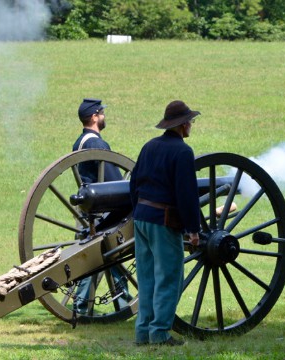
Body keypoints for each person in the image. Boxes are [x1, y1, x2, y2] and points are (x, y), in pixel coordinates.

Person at [129, 100, 201, 346]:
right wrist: (193, 230)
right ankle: (159, 332)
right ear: (182, 125)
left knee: (147, 277)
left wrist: (137, 211)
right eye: (189, 121)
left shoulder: (150, 146)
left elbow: (134, 182)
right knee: (170, 277)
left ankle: (143, 332)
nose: (191, 125)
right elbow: (187, 194)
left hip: (141, 218)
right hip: (163, 221)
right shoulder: (182, 152)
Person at [71, 98, 131, 314]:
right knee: (103, 255)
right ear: (95, 116)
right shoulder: (96, 143)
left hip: (87, 205)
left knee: (102, 256)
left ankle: (123, 300)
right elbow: (112, 179)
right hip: (101, 206)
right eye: (102, 113)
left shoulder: (80, 140)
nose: (104, 117)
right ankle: (84, 305)